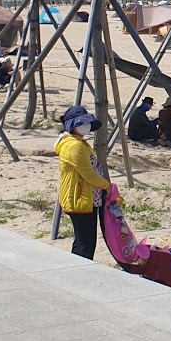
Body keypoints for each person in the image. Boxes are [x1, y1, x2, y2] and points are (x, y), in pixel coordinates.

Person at [55, 106, 110, 260]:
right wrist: (106, 185)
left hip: (86, 198)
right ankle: (81, 275)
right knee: (85, 244)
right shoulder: (74, 146)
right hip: (80, 198)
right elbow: (88, 174)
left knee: (82, 241)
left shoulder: (79, 143)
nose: (86, 127)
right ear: (73, 126)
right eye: (82, 124)